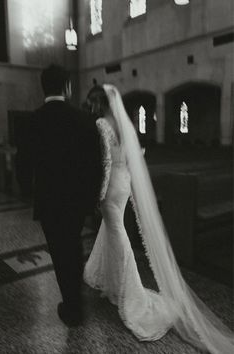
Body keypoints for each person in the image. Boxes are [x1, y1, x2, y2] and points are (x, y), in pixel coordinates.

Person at [84, 84, 234, 353]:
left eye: (93, 102)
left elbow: (105, 161)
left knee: (117, 233)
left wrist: (99, 193)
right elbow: (133, 156)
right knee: (113, 229)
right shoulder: (123, 123)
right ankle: (113, 283)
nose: (92, 106)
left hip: (111, 186)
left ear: (100, 103)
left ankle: (133, 295)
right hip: (124, 182)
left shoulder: (101, 124)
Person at [31, 64, 102, 326]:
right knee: (73, 247)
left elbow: (24, 164)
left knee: (59, 253)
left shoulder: (34, 119)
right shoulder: (83, 119)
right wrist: (91, 198)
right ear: (67, 87)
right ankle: (76, 304)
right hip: (75, 202)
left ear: (44, 87)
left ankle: (70, 305)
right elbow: (95, 164)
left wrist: (31, 193)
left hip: (48, 203)